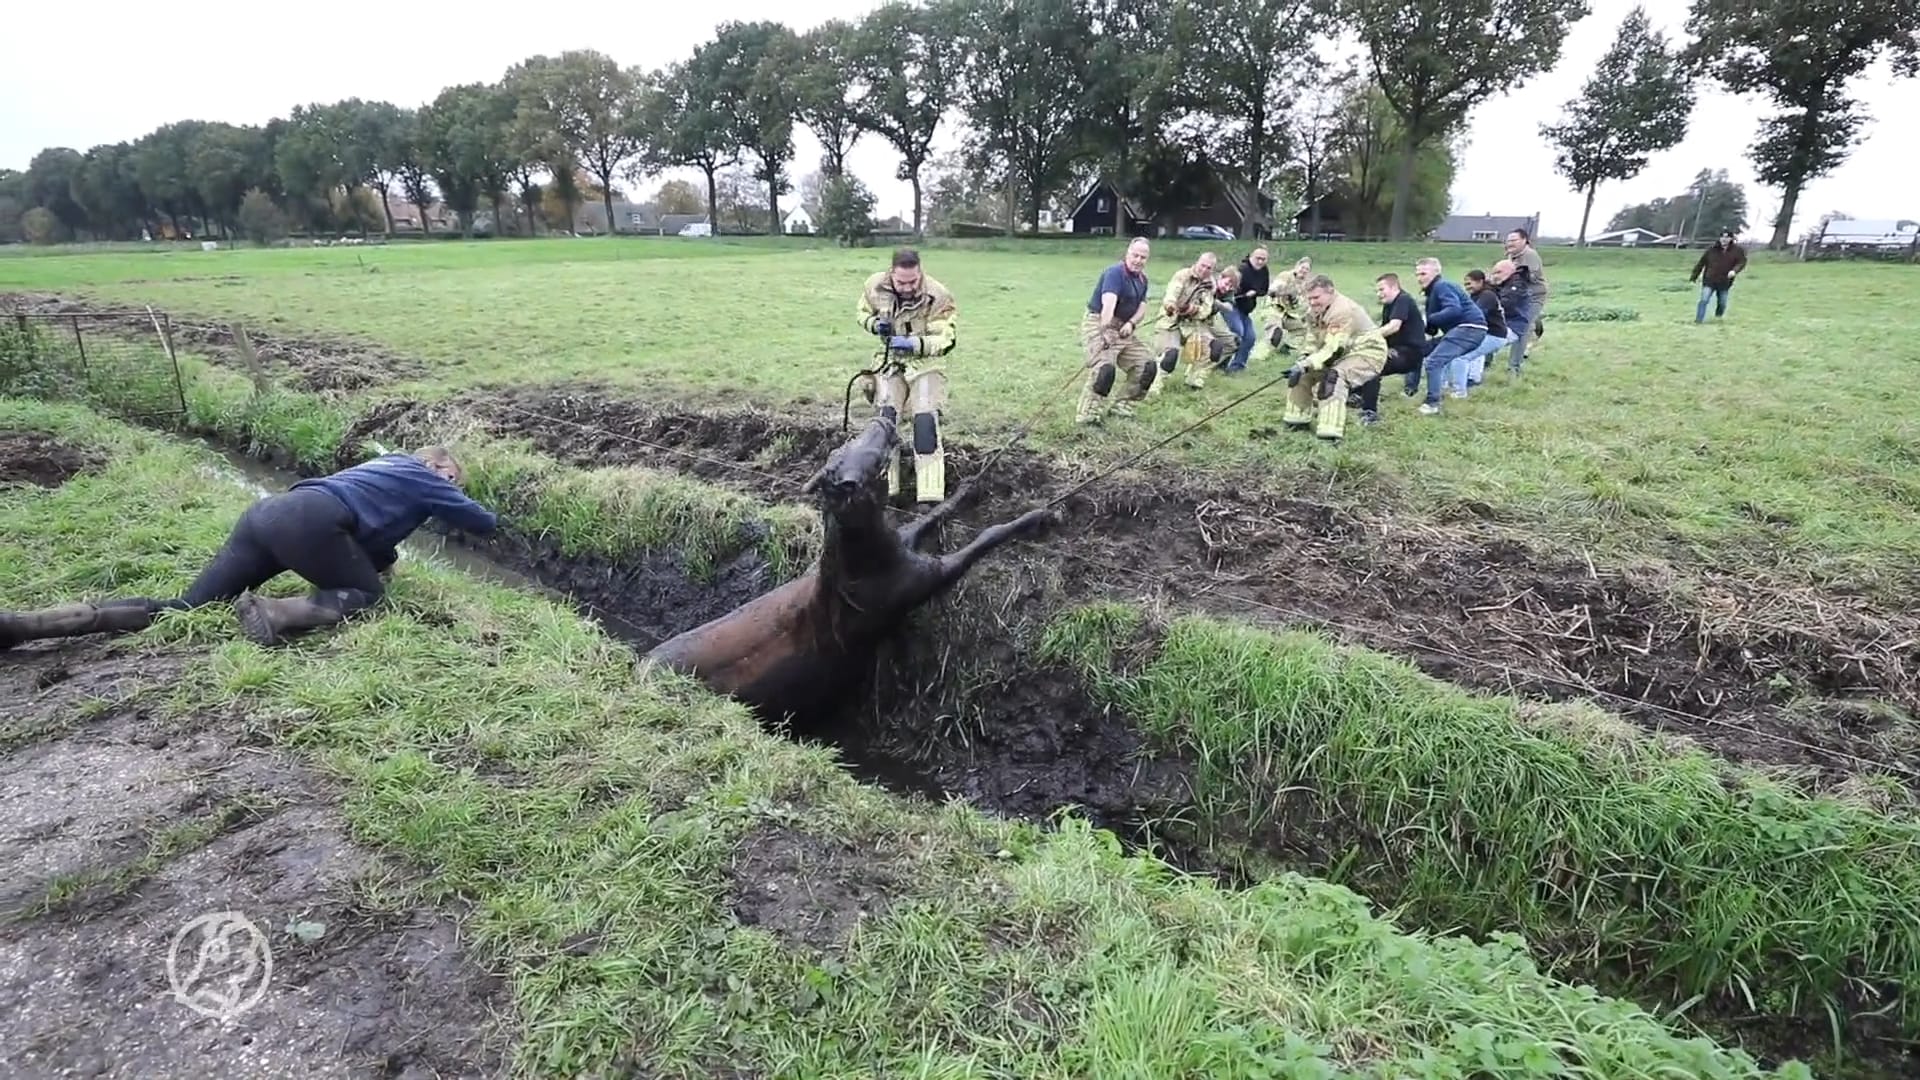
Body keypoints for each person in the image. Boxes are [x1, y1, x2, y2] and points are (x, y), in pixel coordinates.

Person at [0, 447, 499, 650]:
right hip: (310, 522)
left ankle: (28, 625)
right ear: (437, 467)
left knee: (186, 607)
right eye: (452, 478)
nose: (451, 488)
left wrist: (383, 562)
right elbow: (483, 522)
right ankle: (275, 612)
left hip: (269, 515)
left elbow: (369, 540)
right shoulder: (424, 474)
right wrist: (460, 498)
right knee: (364, 594)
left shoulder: (383, 472)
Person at [856, 247, 958, 503]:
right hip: (890, 362)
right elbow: (862, 313)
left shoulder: (938, 296)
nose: (907, 287)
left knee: (924, 422)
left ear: (920, 272)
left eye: (913, 281)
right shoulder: (874, 286)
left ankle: (930, 497)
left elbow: (946, 339)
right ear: (892, 273)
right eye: (901, 282)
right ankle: (885, 490)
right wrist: (873, 325)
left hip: (925, 364)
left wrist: (916, 344)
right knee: (884, 420)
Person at [1279, 274, 1387, 443]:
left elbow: (1334, 349)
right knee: (1300, 375)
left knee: (1334, 377)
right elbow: (1312, 339)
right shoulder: (1314, 311)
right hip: (1342, 351)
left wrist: (1307, 364)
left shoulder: (1342, 311)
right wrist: (1303, 358)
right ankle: (1297, 420)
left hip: (1367, 352)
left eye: (1316, 297)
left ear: (1330, 292)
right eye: (1309, 298)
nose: (1312, 302)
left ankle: (1330, 433)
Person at [1076, 237, 1157, 425]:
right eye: (1135, 255)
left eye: (1143, 257)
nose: (1138, 260)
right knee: (1105, 369)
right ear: (1127, 253)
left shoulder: (1143, 280)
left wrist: (1132, 323)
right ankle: (1088, 414)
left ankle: (1123, 405)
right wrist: (1105, 331)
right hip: (1099, 322)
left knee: (1147, 366)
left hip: (1124, 327)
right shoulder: (1115, 273)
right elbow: (1108, 304)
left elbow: (1142, 308)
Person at [1412, 257, 1487, 416]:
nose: (1419, 278)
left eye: (1423, 273)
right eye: (1417, 274)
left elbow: (1454, 309)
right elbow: (1431, 330)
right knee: (1419, 350)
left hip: (1469, 328)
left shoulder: (1442, 286)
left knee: (1434, 362)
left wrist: (1428, 318)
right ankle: (1410, 389)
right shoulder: (1431, 294)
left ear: (1436, 272)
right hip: (1464, 331)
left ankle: (1432, 403)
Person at [1353, 272, 1425, 426]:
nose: (1379, 294)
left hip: (1410, 353)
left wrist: (1367, 337)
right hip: (1396, 349)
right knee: (1359, 358)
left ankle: (1370, 412)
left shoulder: (1403, 300)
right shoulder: (1389, 305)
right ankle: (1356, 395)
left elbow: (1393, 326)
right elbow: (1384, 333)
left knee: (1372, 365)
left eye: (1381, 289)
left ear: (1394, 287)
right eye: (1377, 291)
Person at [1146, 249, 1220, 396]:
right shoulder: (1183, 275)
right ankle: (1155, 384)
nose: (1204, 270)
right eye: (1202, 265)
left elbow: (1206, 309)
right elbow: (1172, 292)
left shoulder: (1210, 284)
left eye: (1208, 268)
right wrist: (1170, 305)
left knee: (1214, 348)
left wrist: (1192, 310)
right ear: (1196, 263)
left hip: (1193, 324)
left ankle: (1194, 377)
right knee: (1170, 354)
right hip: (1170, 322)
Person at [1450, 269, 1509, 395]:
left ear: (1480, 282)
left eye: (1470, 283)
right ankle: (1457, 383)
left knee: (1461, 357)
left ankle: (1459, 392)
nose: (1467, 287)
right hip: (1483, 334)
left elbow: (1476, 314)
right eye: (1465, 285)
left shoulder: (1487, 295)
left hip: (1494, 335)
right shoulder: (1477, 295)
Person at [1219, 246, 1270, 372]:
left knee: (1250, 337)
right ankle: (1220, 362)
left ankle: (1237, 366)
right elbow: (1229, 287)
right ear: (1251, 257)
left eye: (1263, 259)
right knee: (1238, 332)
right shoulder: (1243, 269)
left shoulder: (1264, 271)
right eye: (1258, 258)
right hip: (1232, 305)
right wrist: (1243, 293)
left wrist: (1255, 292)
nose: (1260, 262)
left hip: (1245, 310)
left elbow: (1264, 289)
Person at [1505, 227, 1548, 362]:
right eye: (1508, 241)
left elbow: (1533, 277)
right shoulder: (1511, 256)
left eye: (1514, 240)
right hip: (1517, 296)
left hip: (1533, 296)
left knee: (1523, 329)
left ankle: (1514, 367)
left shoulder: (1530, 254)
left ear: (1524, 240)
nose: (1510, 243)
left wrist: (1517, 272)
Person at [1689, 229, 1748, 323]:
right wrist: (1693, 277)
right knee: (1704, 300)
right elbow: (1701, 263)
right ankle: (1698, 320)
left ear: (1731, 239)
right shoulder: (1711, 250)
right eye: (1722, 237)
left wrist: (1734, 271)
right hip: (1710, 280)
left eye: (1727, 237)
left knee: (1722, 303)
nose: (1724, 239)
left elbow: (1741, 262)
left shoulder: (1737, 251)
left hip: (1725, 281)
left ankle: (1718, 317)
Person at [1491, 257, 1534, 377]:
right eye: (1494, 272)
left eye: (1499, 272)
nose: (1495, 276)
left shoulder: (1517, 286)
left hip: (1514, 327)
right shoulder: (1504, 284)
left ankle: (1473, 379)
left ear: (1511, 271)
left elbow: (1505, 304)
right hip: (1503, 325)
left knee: (1477, 343)